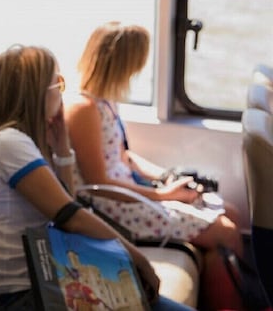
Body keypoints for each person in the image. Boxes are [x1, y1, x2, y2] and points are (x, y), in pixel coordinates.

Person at [0, 45, 192, 311]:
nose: (61, 91)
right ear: (38, 93)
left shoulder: (14, 142)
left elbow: (66, 202)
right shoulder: (9, 145)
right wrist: (139, 260)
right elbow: (71, 216)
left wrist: (61, 149)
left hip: (42, 283)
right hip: (24, 296)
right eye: (58, 82)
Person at [65, 22, 246, 309]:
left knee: (231, 212)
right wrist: (164, 196)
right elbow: (99, 183)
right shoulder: (83, 110)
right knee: (226, 232)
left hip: (130, 194)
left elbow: (125, 157)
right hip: (112, 206)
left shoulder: (107, 102)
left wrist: (166, 178)